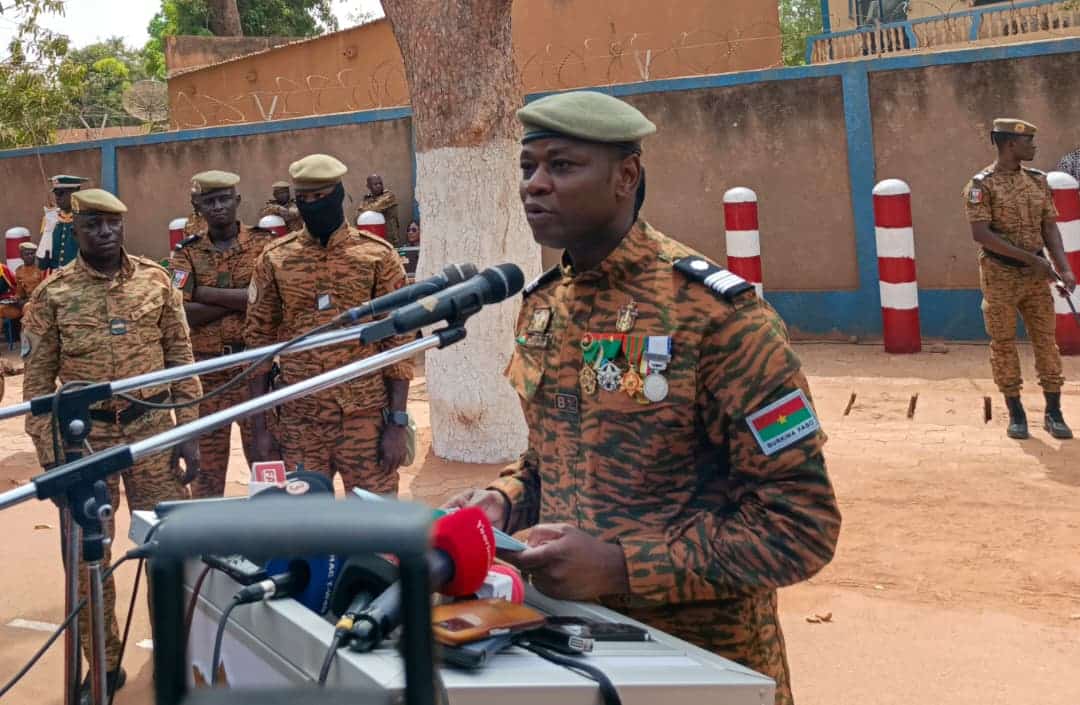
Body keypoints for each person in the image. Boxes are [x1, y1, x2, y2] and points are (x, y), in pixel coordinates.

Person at [445, 91, 841, 705]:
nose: (536, 186)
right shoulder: (547, 306)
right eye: (528, 168)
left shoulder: (717, 317)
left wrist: (623, 565)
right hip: (576, 653)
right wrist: (504, 500)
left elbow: (801, 527)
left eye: (562, 166)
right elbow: (550, 463)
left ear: (626, 175)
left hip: (701, 667)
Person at [21, 188, 202, 703]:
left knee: (169, 546)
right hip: (86, 441)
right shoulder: (52, 296)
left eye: (112, 224)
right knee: (85, 559)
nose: (104, 233)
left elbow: (182, 360)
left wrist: (187, 433)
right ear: (74, 231)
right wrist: (52, 459)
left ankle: (177, 649)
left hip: (151, 432)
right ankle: (102, 664)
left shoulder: (155, 280)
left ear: (123, 226)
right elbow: (36, 389)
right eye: (92, 225)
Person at [245, 154, 413, 494]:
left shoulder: (377, 255)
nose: (313, 206)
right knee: (303, 531)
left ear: (338, 195)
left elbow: (399, 341)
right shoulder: (276, 258)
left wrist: (397, 422)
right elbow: (258, 342)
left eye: (321, 198)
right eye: (304, 200)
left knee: (374, 528)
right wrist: (259, 430)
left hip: (364, 420)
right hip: (299, 422)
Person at [964, 118, 1076, 440]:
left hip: (1036, 278)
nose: (1034, 146)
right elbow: (981, 234)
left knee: (1046, 343)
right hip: (1000, 277)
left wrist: (1064, 267)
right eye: (1028, 141)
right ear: (1011, 144)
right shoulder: (980, 185)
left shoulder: (1038, 182)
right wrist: (1032, 259)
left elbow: (1050, 227)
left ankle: (1053, 412)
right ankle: (1016, 411)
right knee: (1003, 344)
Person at [169, 170, 274, 497]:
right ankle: (210, 547)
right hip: (208, 376)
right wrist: (244, 298)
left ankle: (271, 544)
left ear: (237, 201)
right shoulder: (185, 253)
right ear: (197, 205)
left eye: (224, 199)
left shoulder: (263, 245)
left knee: (266, 464)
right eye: (209, 201)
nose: (217, 206)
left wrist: (205, 293)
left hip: (255, 371)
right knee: (206, 476)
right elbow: (182, 313)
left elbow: (267, 303)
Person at [38, 174, 89, 270]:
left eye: (61, 193)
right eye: (55, 194)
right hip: (55, 277)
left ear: (75, 193)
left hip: (77, 277)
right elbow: (44, 257)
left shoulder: (85, 220)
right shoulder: (51, 219)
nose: (57, 198)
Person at [357, 173, 401, 245]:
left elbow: (375, 208)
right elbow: (357, 216)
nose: (379, 186)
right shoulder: (366, 199)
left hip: (389, 240)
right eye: (375, 184)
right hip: (373, 239)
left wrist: (365, 210)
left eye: (380, 183)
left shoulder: (388, 196)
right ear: (368, 186)